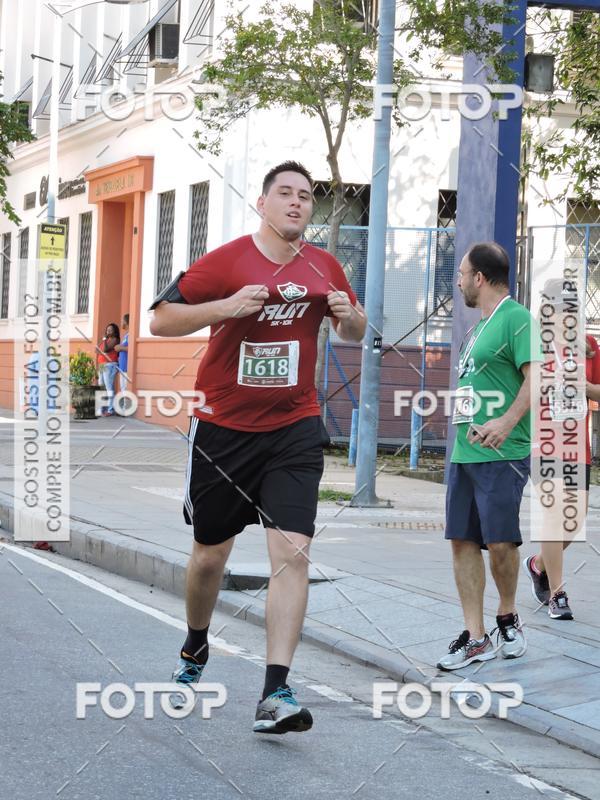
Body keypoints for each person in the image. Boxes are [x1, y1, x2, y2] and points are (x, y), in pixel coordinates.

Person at [149, 161, 366, 733]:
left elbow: (356, 331)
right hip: (224, 431)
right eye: (286, 194)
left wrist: (351, 317)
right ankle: (196, 643)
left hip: (294, 428)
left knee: (292, 555)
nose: (297, 203)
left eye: (306, 196)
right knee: (209, 556)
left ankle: (276, 692)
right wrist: (225, 308)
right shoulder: (227, 259)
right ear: (262, 204)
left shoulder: (324, 265)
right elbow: (162, 319)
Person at [437, 242, 541, 671]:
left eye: (462, 274)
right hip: (465, 453)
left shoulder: (517, 319)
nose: (458, 281)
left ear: (479, 277)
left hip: (503, 453)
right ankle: (476, 636)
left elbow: (537, 379)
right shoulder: (476, 329)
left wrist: (504, 422)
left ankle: (507, 616)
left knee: (500, 541)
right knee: (462, 541)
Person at [523, 285, 600, 619]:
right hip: (544, 443)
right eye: (558, 306)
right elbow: (520, 390)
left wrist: (587, 388)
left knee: (574, 520)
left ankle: (539, 563)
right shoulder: (533, 343)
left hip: (577, 446)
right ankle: (557, 593)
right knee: (554, 518)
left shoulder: (589, 348)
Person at [97, 322, 120, 417]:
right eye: (107, 329)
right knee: (101, 386)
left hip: (109, 364)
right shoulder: (106, 340)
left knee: (109, 387)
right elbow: (97, 349)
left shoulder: (115, 340)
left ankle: (110, 409)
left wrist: (104, 340)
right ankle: (103, 407)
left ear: (114, 331)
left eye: (110, 329)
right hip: (102, 365)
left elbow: (105, 350)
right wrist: (103, 341)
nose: (108, 331)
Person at [114, 313, 129, 413]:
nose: (121, 323)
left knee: (126, 388)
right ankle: (123, 408)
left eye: (123, 320)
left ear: (127, 322)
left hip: (127, 367)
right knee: (123, 388)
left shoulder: (131, 335)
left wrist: (120, 348)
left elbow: (130, 348)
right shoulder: (126, 335)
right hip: (122, 366)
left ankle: (126, 409)